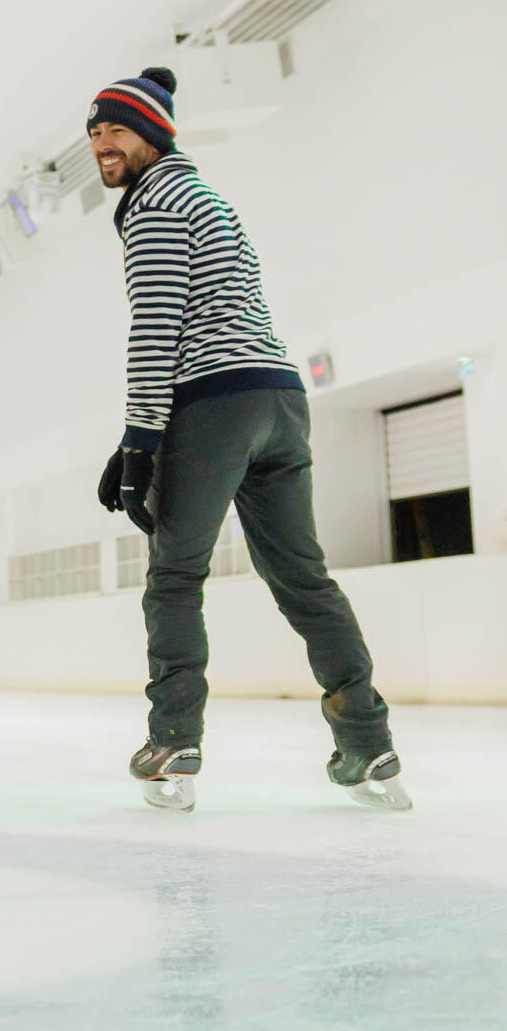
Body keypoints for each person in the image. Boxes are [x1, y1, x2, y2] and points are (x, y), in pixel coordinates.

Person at [88, 67, 409, 813]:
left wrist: (139, 438)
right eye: (96, 132)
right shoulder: (210, 199)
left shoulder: (155, 204)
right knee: (303, 578)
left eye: (117, 129)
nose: (103, 143)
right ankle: (367, 742)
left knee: (175, 575)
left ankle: (174, 740)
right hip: (280, 398)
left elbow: (156, 326)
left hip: (214, 403)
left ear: (153, 135)